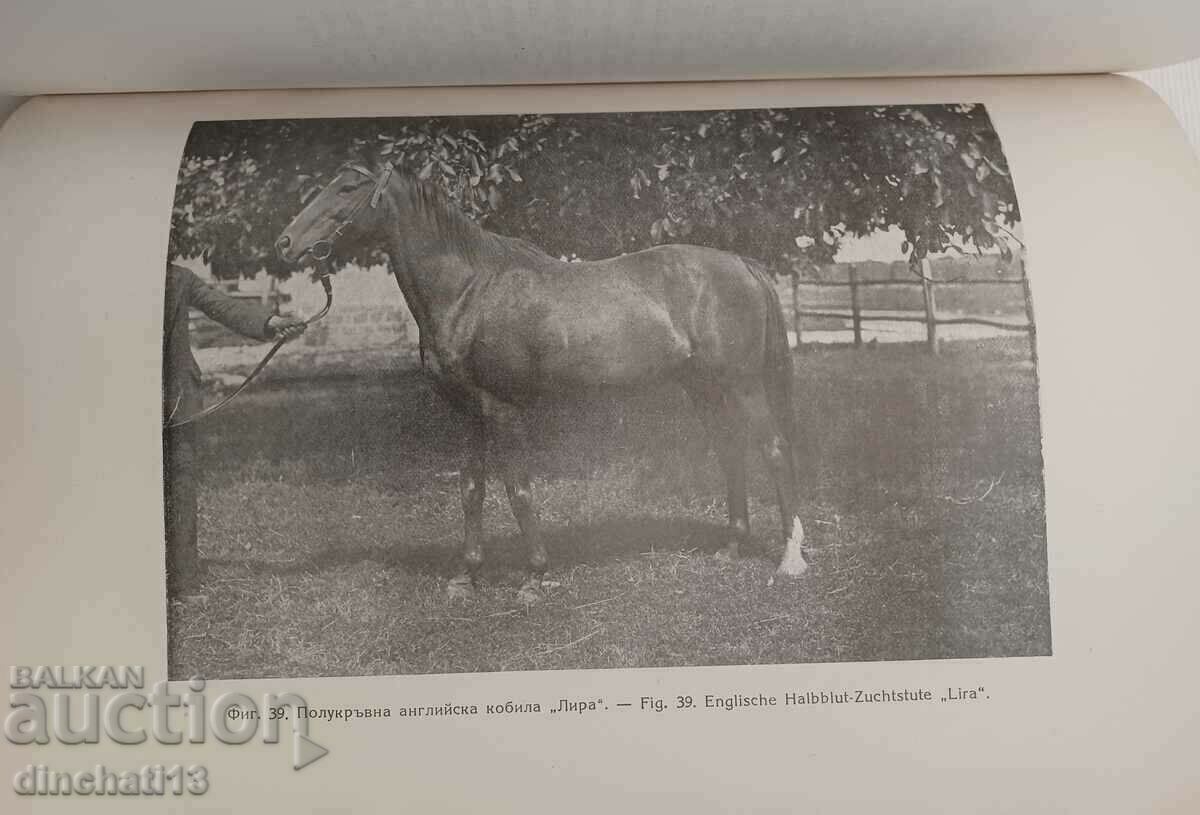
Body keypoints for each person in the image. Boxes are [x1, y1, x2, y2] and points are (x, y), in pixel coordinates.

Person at [162, 263, 306, 598]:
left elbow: (222, 306)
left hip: (176, 396)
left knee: (181, 482)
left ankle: (183, 581)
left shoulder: (178, 277)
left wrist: (271, 324)